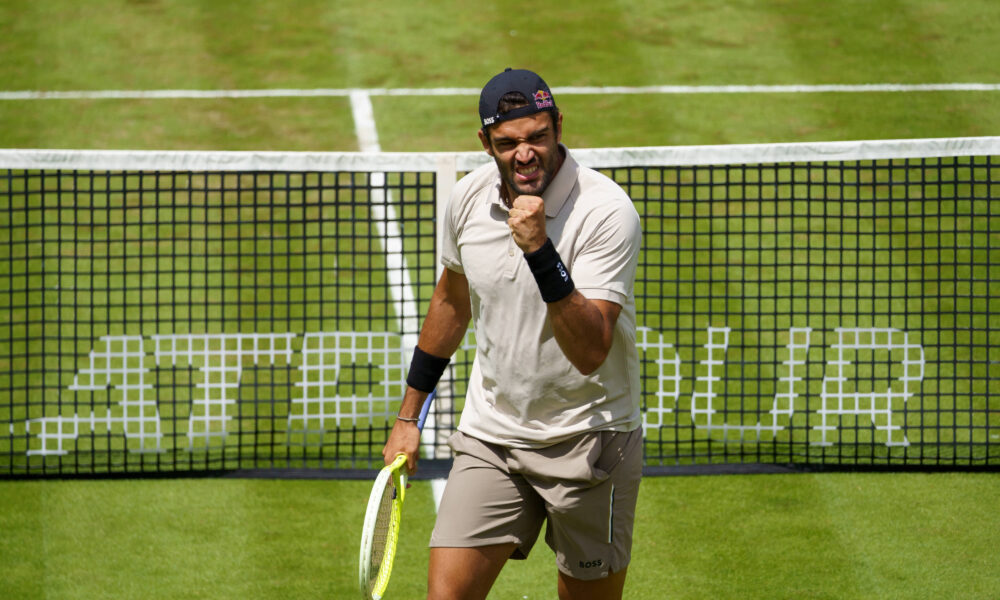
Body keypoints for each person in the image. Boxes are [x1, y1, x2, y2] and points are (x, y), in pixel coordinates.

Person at [382, 68, 643, 600]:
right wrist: (408, 417)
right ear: (486, 143)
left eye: (537, 137)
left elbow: (591, 350)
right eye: (507, 143)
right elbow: (451, 302)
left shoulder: (607, 211)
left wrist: (540, 250)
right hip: (493, 438)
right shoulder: (467, 199)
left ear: (558, 126)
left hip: (590, 442)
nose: (525, 154)